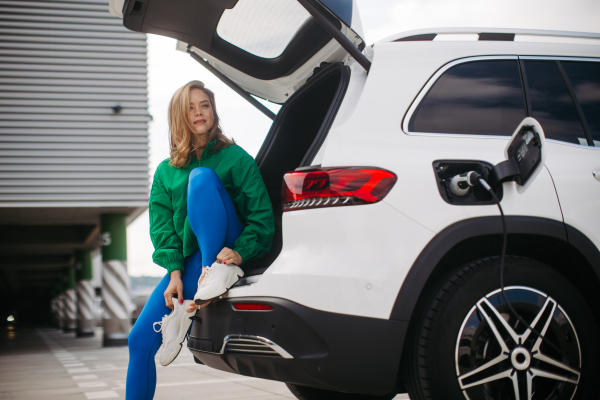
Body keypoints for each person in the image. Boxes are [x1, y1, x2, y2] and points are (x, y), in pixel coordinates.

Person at [125, 80, 275, 400]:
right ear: (180, 116)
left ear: (213, 110)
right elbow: (163, 228)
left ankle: (210, 278)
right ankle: (187, 305)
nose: (198, 112)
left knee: (202, 178)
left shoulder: (236, 158)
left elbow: (261, 217)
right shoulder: (166, 172)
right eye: (190, 107)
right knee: (138, 341)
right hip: (192, 264)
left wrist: (240, 251)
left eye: (204, 104)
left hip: (225, 252)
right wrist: (175, 275)